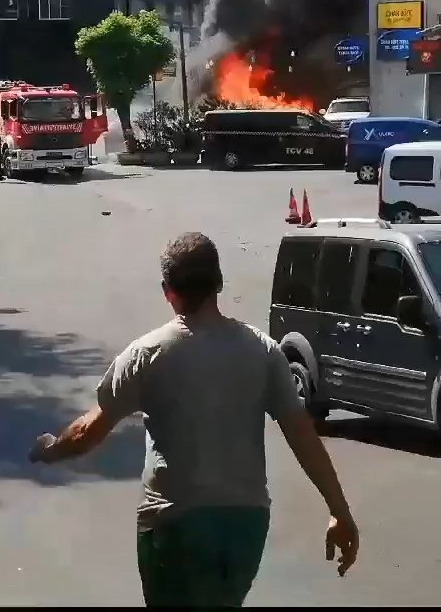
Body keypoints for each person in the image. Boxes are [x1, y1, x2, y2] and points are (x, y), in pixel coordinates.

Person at [29, 232, 359, 608]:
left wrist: (50, 451)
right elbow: (302, 434)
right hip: (245, 527)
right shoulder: (263, 351)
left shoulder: (147, 354)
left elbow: (88, 432)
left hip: (174, 523)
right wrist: (339, 510)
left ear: (168, 291)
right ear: (219, 283)